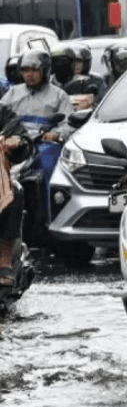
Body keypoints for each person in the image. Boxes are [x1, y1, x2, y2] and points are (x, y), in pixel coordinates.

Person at [0, 50, 75, 226]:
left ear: (45, 71)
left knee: (47, 163)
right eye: (25, 70)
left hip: (43, 143)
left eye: (34, 70)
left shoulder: (58, 95)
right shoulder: (12, 93)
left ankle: (49, 219)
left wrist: (56, 134)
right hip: (15, 141)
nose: (29, 75)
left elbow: (68, 123)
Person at [0, 103, 32, 288]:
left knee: (16, 193)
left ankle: (4, 263)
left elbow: (22, 136)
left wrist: (17, 142)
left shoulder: (3, 112)